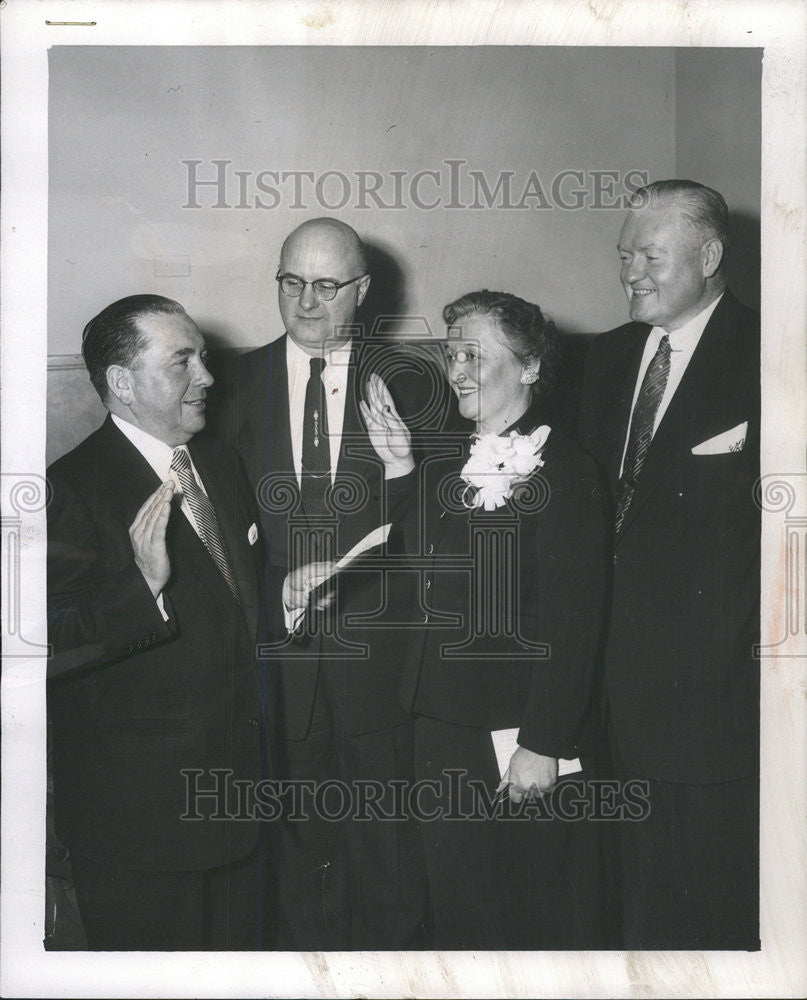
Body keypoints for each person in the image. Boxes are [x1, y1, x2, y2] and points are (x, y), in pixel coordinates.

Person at [221, 217, 449, 949]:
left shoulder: (415, 383)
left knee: (387, 862)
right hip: (275, 666)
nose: (307, 302)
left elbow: (445, 531)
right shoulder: (226, 387)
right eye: (292, 282)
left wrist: (405, 472)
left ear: (362, 291)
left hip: (382, 667)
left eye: (326, 285)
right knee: (289, 865)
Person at [360, 290, 612, 949]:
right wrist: (397, 466)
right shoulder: (448, 458)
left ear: (530, 368)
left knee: (520, 915)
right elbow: (411, 562)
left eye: (475, 354)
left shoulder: (567, 471)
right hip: (438, 722)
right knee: (457, 907)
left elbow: (574, 621)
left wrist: (544, 742)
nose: (457, 370)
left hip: (511, 735)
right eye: (450, 355)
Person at [47, 294, 267, 950]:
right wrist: (141, 588)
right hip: (138, 827)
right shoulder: (69, 488)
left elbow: (229, 611)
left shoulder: (221, 466)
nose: (207, 376)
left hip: (238, 809)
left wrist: (284, 592)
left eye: (203, 356)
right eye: (183, 360)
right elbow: (43, 646)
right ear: (122, 382)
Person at [578, 179, 760, 949]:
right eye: (624, 256)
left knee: (711, 914)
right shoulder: (599, 360)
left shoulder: (774, 356)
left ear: (709, 256)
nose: (630, 273)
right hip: (602, 709)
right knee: (623, 909)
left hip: (711, 710)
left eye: (649, 255)